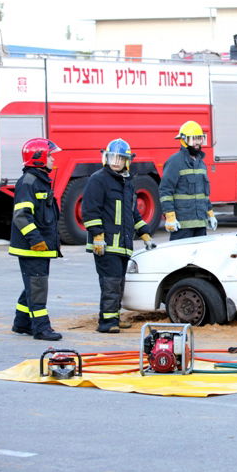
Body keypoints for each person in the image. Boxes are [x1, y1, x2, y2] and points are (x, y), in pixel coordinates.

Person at [82, 139, 155, 333]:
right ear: (106, 158)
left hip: (122, 244)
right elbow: (90, 211)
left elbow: (133, 213)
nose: (115, 162)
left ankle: (113, 317)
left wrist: (145, 233)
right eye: (112, 157)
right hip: (105, 245)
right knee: (110, 283)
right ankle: (106, 323)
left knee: (118, 283)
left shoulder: (127, 182)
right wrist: (97, 236)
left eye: (120, 158)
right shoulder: (98, 179)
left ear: (127, 161)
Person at [8, 138, 63, 341]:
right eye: (49, 155)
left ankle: (22, 323)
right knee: (37, 286)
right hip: (33, 248)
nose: (53, 158)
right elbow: (21, 216)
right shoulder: (29, 182)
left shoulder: (39, 179)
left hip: (40, 246)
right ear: (38, 158)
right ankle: (41, 328)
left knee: (33, 285)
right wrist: (36, 240)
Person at [159, 121, 216, 240]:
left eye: (199, 138)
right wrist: (170, 217)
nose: (197, 143)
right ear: (183, 140)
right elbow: (165, 191)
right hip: (182, 226)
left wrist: (210, 214)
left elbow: (204, 195)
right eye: (193, 139)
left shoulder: (201, 163)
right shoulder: (175, 162)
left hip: (200, 224)